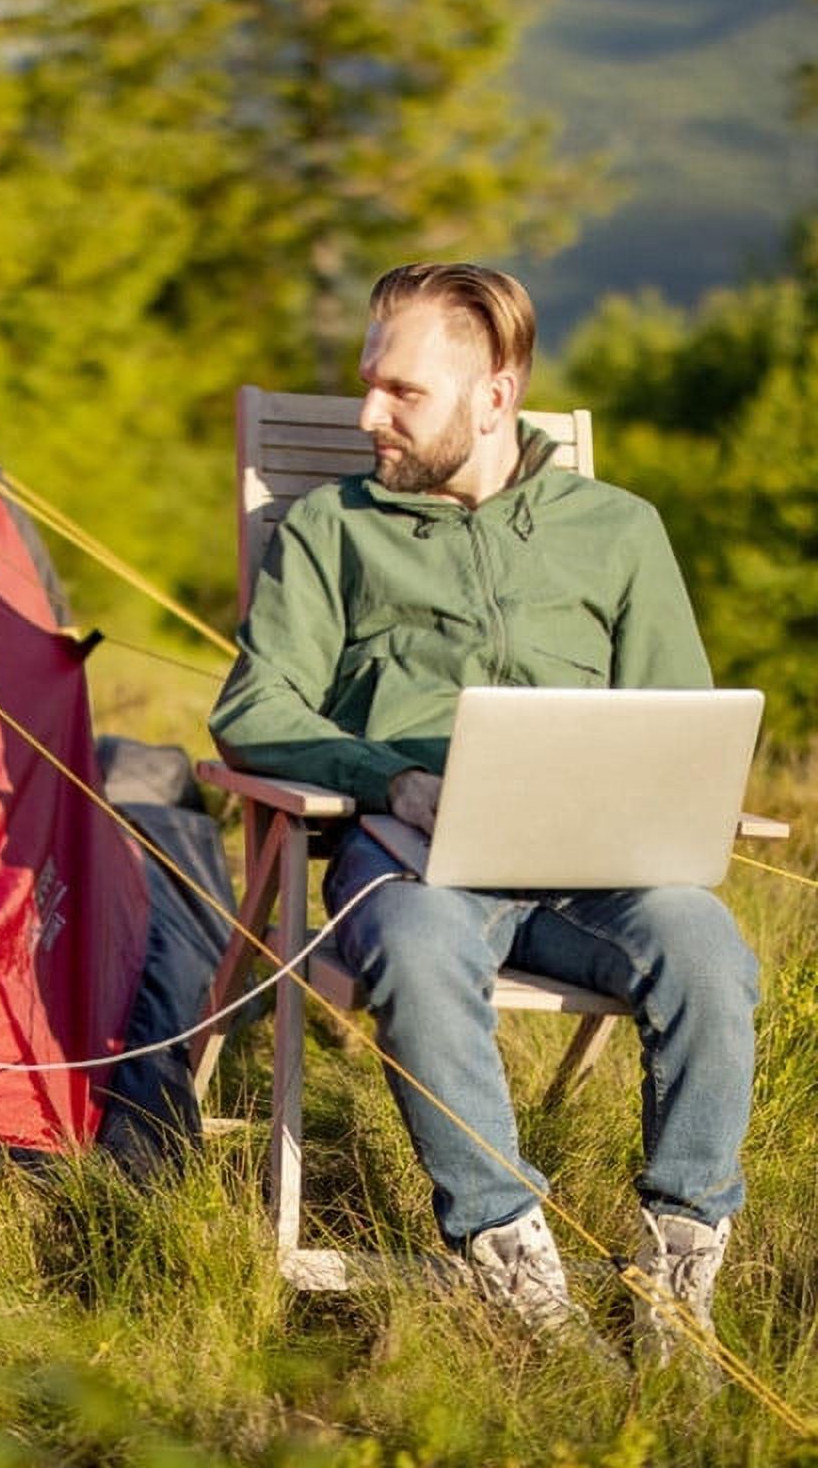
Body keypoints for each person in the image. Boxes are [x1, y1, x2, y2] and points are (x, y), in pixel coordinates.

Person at [208, 262, 757, 1355]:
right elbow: (252, 707)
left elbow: (677, 714)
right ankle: (513, 1265)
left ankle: (675, 1271)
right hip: (412, 861)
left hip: (589, 868)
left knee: (703, 945)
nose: (368, 413)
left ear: (494, 396)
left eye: (401, 392)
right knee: (413, 947)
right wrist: (386, 777)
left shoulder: (617, 530)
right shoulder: (331, 530)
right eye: (370, 382)